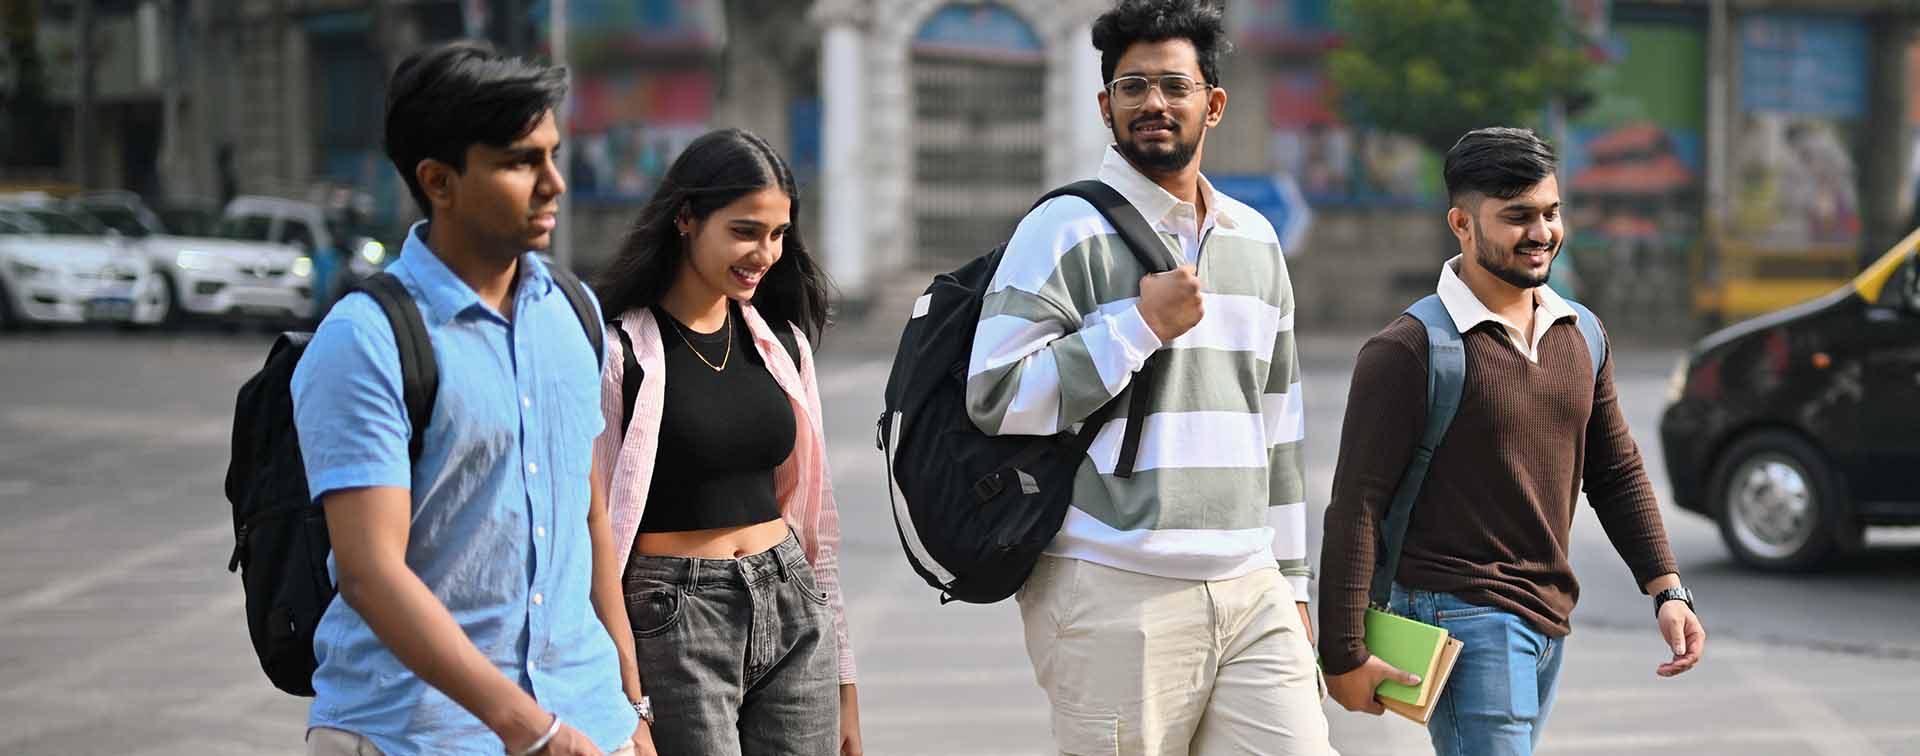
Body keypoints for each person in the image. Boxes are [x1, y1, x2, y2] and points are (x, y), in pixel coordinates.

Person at [964, 1, 1335, 752]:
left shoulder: (1256, 239)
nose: (1153, 103)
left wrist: (1293, 583)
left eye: (1174, 85)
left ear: (1213, 104)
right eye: (1132, 87)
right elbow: (995, 395)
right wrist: (1137, 326)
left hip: (1250, 582)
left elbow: (1278, 427)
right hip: (1112, 583)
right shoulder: (1062, 230)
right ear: (1105, 107)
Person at [292, 41, 642, 755]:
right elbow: (369, 573)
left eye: (553, 155)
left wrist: (630, 707)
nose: (554, 183)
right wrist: (531, 730)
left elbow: (588, 517)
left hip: (587, 721)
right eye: (520, 162)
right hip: (418, 735)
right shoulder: (369, 339)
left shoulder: (573, 311)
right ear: (439, 181)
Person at [1318, 127, 1707, 756]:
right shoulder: (1409, 350)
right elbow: (1357, 503)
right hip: (1462, 611)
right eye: (1517, 216)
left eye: (1551, 212)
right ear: (1462, 225)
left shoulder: (1580, 333)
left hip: (1548, 616)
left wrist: (1667, 589)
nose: (1541, 232)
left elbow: (1615, 470)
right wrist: (1342, 654)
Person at [590, 128, 862, 756]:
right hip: (675, 617)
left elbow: (815, 525)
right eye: (745, 231)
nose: (765, 253)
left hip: (792, 603)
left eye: (778, 234)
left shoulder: (784, 346)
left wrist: (845, 680)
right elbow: (593, 537)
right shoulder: (619, 353)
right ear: (685, 218)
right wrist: (625, 697)